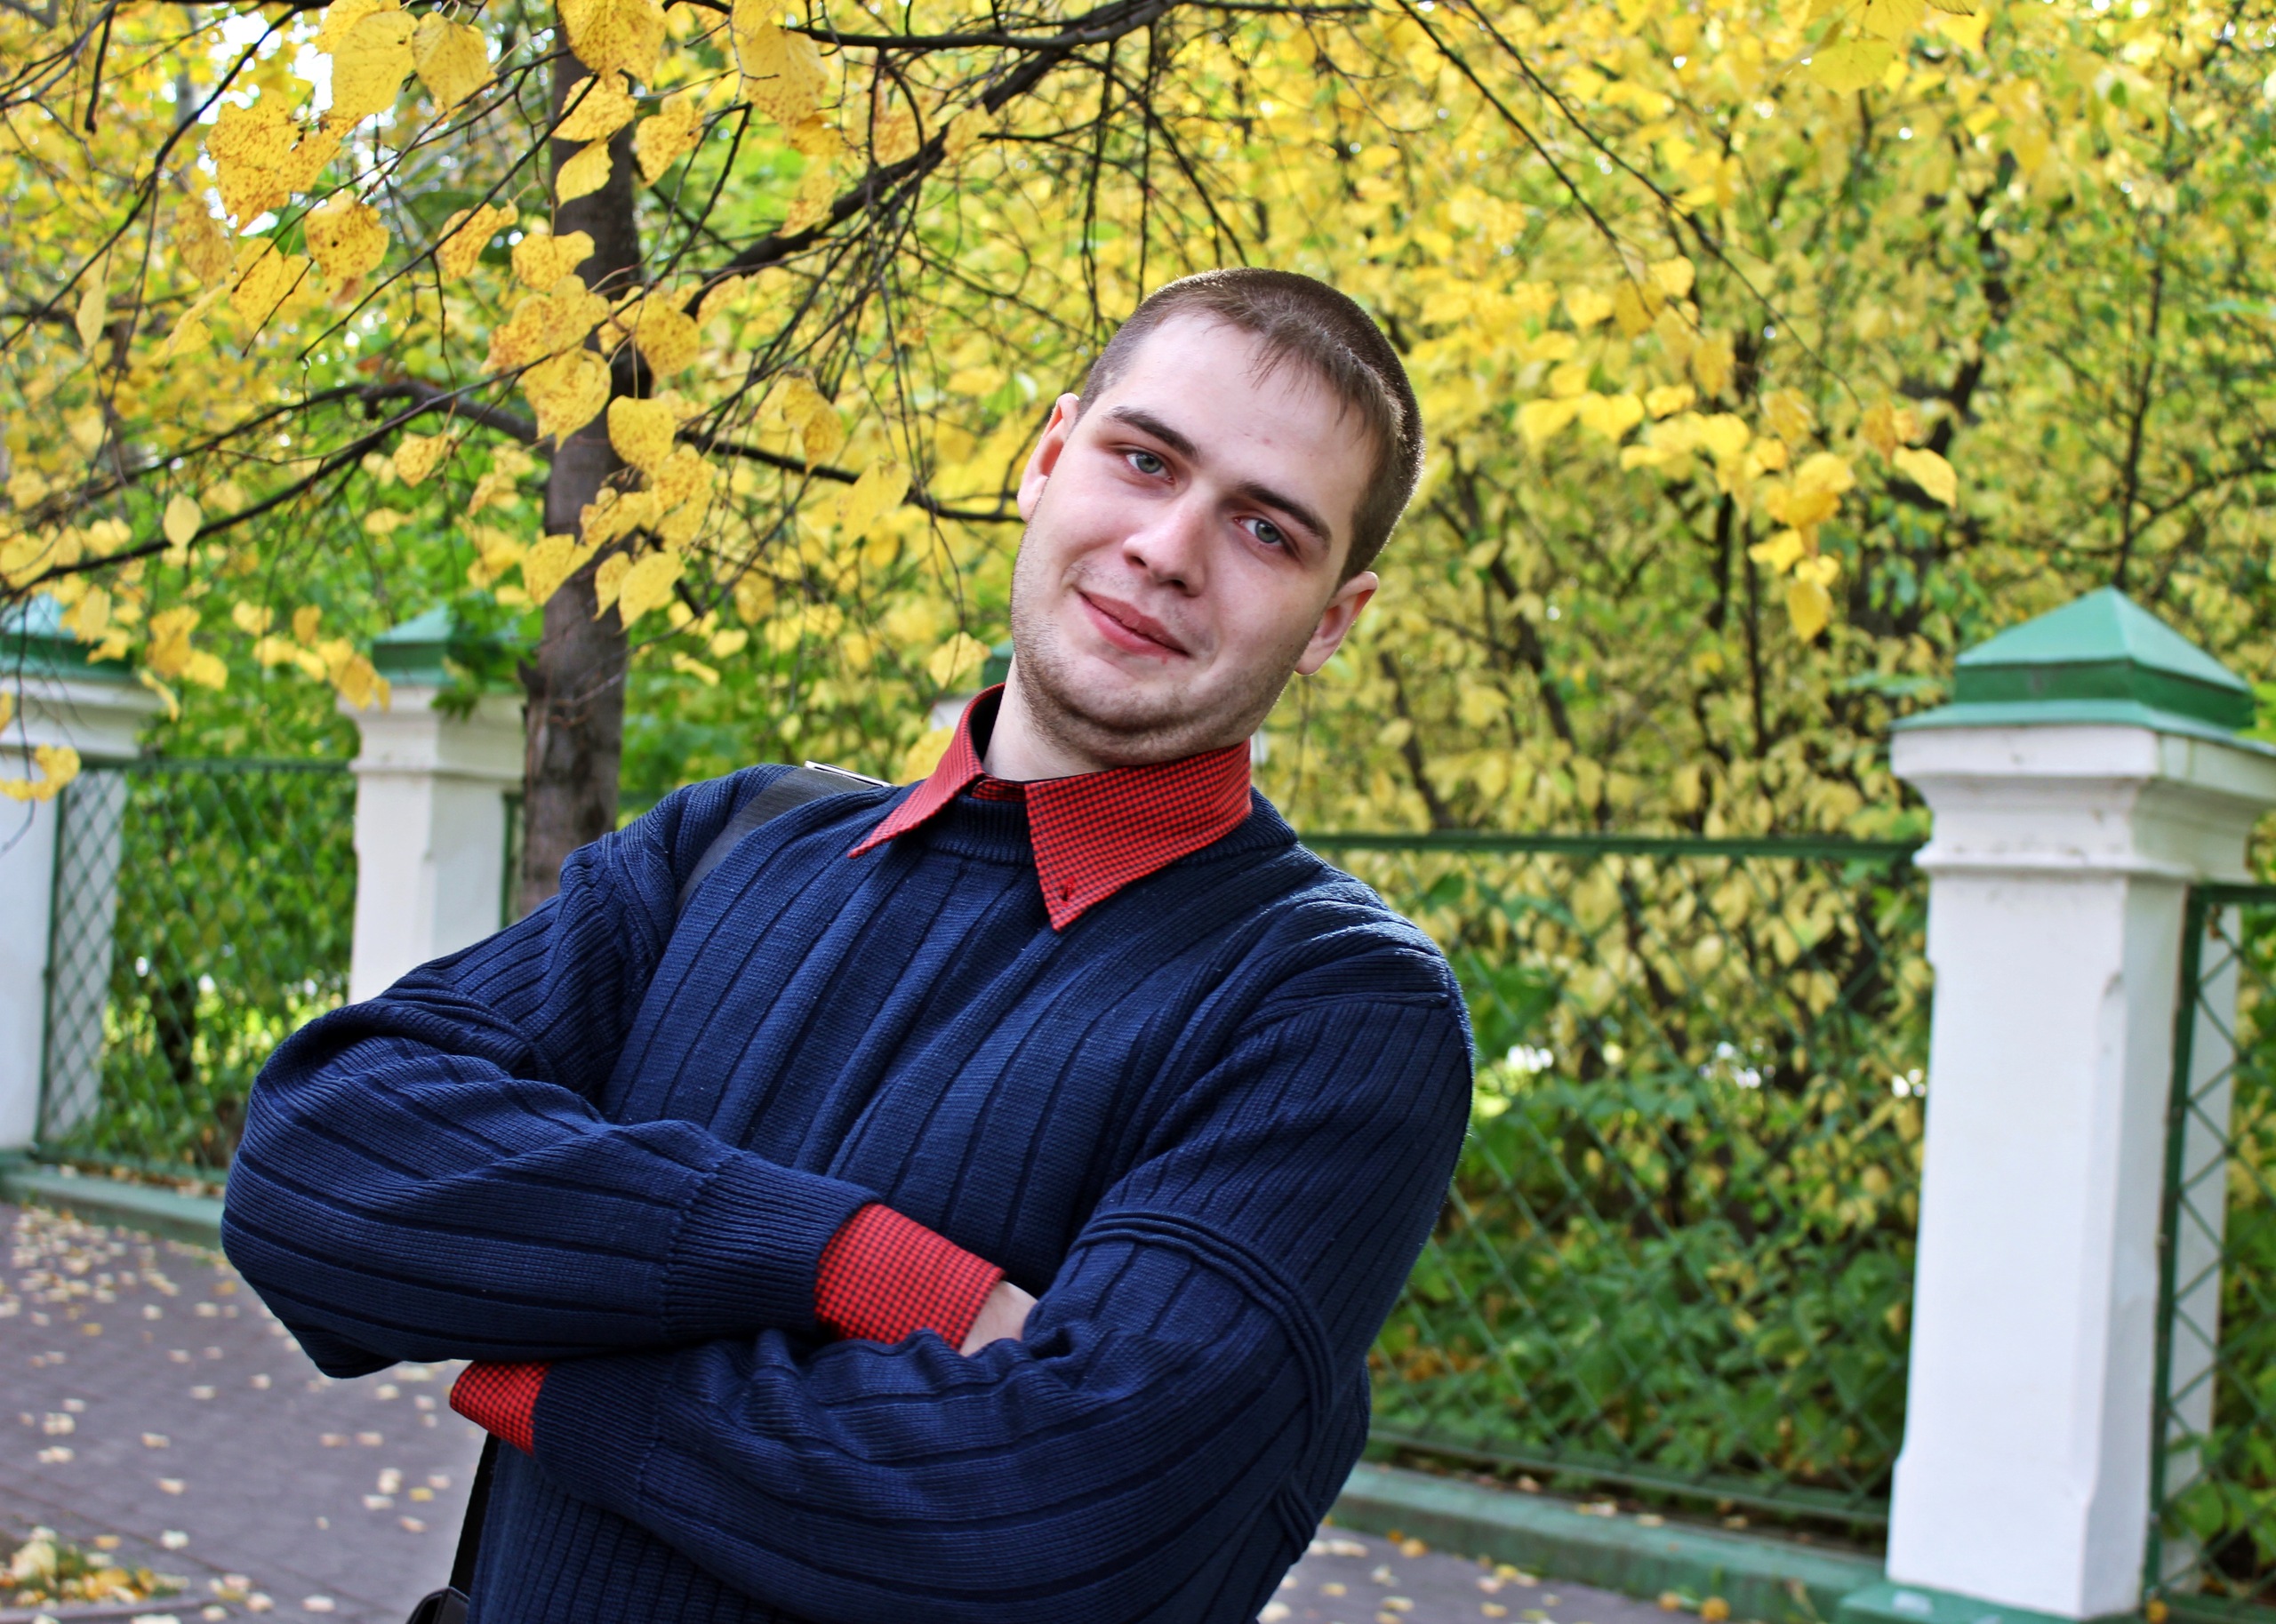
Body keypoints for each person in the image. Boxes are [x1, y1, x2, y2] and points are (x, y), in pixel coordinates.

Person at [223, 268, 1473, 1624]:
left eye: (1267, 530)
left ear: (1331, 622)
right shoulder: (727, 843)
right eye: (1143, 459)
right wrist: (854, 1264)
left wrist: (547, 1377)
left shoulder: (1334, 1011)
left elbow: (1064, 1521)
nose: (1170, 547)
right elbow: (312, 1162)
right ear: (1046, 457)